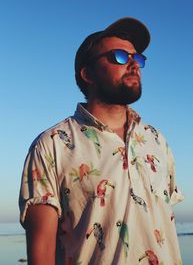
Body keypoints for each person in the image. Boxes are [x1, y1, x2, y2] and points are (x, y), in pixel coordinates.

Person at [19, 17, 184, 265]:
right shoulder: (52, 145)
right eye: (120, 56)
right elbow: (41, 253)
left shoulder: (156, 140)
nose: (133, 65)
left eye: (137, 58)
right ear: (88, 74)